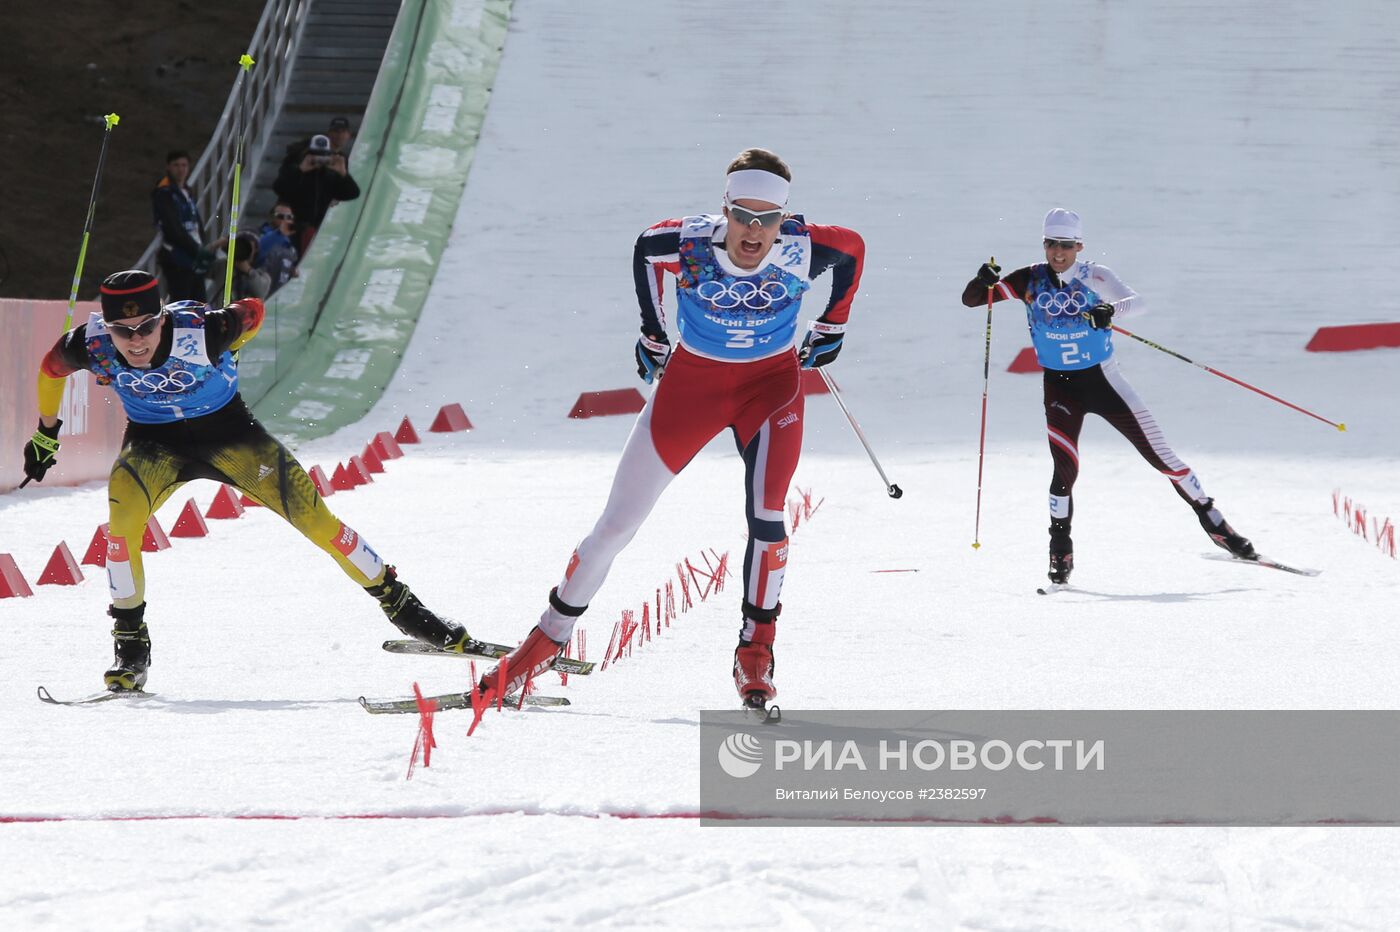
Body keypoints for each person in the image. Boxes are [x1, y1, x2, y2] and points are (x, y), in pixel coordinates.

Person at [470, 148, 864, 713]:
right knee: (614, 527)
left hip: (770, 389)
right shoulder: (684, 242)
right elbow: (644, 251)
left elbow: (854, 249)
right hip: (690, 390)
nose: (754, 233)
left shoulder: (805, 247)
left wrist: (835, 322)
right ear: (724, 209)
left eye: (768, 220)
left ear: (785, 218)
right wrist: (652, 331)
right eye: (743, 217)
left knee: (769, 518)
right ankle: (544, 643)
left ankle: (755, 653)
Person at [20, 269, 469, 692]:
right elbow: (49, 369)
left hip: (230, 434)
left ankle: (407, 610)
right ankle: (130, 647)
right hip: (153, 444)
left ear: (162, 317)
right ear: (108, 327)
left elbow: (253, 310)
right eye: (124, 330)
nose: (136, 341)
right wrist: (47, 432)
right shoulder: (91, 344)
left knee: (317, 522)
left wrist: (238, 336)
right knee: (121, 534)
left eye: (146, 326)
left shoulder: (203, 330)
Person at [960, 208, 1256, 585]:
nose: (1059, 252)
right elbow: (972, 300)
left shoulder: (1095, 275)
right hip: (1060, 387)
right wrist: (981, 280)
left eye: (1067, 245)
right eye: (1053, 244)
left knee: (1162, 457)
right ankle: (1059, 553)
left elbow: (1138, 302)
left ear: (1079, 245)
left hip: (1104, 382)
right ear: (1045, 244)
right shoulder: (1028, 279)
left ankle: (1216, 524)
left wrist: (1107, 311)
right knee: (1063, 472)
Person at [273, 133, 359, 253]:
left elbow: (353, 193)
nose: (319, 160)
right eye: (315, 155)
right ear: (307, 154)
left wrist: (343, 173)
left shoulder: (330, 176)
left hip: (318, 230)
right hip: (293, 227)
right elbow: (279, 188)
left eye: (323, 156)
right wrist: (301, 170)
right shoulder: (295, 169)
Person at [151, 149, 214, 302]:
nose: (181, 169)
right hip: (178, 258)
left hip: (193, 258)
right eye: (176, 165)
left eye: (184, 165)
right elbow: (172, 228)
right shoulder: (164, 192)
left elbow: (196, 223)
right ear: (168, 167)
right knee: (181, 306)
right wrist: (197, 249)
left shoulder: (185, 190)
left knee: (199, 305)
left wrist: (203, 246)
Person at [209, 232, 272, 305]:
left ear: (255, 251)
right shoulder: (222, 266)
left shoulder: (261, 274)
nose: (243, 250)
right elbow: (200, 267)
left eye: (249, 248)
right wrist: (215, 245)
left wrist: (249, 271)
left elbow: (261, 293)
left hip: (243, 315)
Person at [256, 202, 300, 294]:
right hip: (259, 293)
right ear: (272, 217)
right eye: (280, 216)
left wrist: (291, 270)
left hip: (279, 296)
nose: (285, 220)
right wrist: (279, 233)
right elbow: (259, 251)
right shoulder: (259, 235)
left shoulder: (290, 246)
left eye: (289, 217)